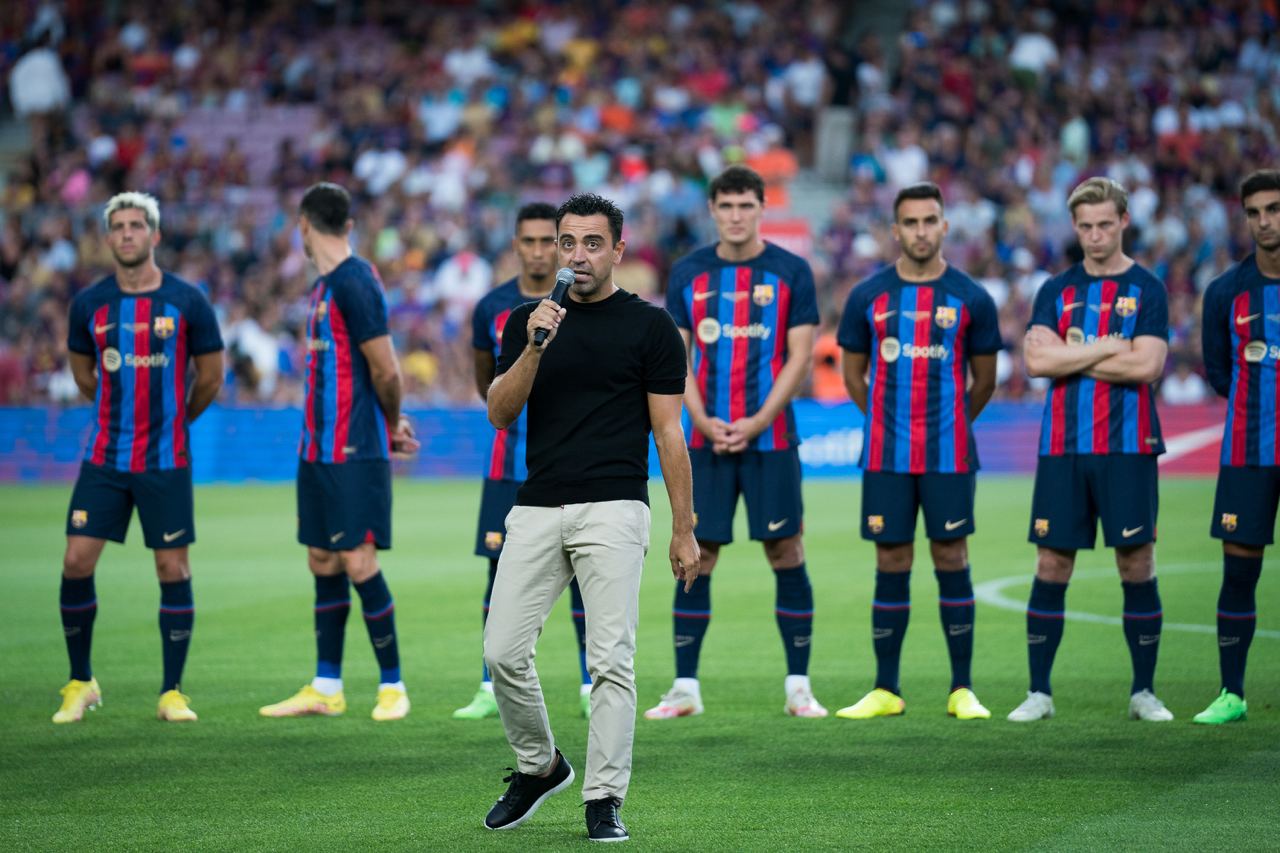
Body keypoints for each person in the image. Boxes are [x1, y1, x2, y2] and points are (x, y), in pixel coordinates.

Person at [481, 193, 698, 843]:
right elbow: (499, 411)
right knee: (502, 651)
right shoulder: (529, 320)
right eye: (567, 242)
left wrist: (683, 526)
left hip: (615, 504)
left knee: (611, 660)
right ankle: (540, 764)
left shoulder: (651, 328)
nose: (578, 255)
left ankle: (603, 796)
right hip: (538, 503)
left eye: (592, 243)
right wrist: (534, 346)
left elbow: (669, 432)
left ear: (618, 250)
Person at [646, 164, 826, 721]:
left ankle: (799, 686)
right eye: (726, 206)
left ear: (761, 207)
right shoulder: (689, 273)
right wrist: (699, 418)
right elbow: (676, 357)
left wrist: (754, 420)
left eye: (746, 205)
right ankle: (685, 687)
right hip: (705, 441)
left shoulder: (791, 271)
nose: (736, 215)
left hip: (771, 439)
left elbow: (799, 359)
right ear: (712, 210)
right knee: (698, 555)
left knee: (786, 551)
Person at [55, 191, 224, 723]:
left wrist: (175, 421)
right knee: (76, 560)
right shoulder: (89, 304)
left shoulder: (188, 301)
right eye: (118, 226)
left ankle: (172, 691)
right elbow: (85, 377)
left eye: (136, 225)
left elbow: (211, 376)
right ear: (108, 238)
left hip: (165, 460)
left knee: (172, 567)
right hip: (105, 456)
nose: (127, 233)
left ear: (153, 234)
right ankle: (80, 682)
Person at [835, 182, 1001, 721]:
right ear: (895, 230)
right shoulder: (868, 296)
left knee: (952, 557)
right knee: (892, 559)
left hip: (950, 455)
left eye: (930, 221)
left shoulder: (972, 297)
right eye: (911, 222)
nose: (921, 231)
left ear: (945, 225)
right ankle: (886, 689)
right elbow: (854, 375)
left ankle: (962, 689)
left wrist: (947, 423)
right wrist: (890, 419)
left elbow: (984, 381)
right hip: (886, 454)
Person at [1009, 177, 1172, 722]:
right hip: (1063, 447)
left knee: (1137, 562)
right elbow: (1036, 363)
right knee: (1052, 562)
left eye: (1105, 224)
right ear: (1074, 228)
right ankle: (1039, 692)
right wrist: (1109, 346)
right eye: (1085, 226)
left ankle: (1143, 692)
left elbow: (1148, 367)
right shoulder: (1056, 290)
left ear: (1124, 221)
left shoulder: (1147, 288)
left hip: (1128, 447)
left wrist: (1072, 351)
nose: (1095, 235)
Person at [259, 182, 420, 722]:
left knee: (357, 559)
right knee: (322, 558)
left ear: (303, 225)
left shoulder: (354, 281)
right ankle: (326, 686)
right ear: (347, 224)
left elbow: (386, 367)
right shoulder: (324, 286)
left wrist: (392, 422)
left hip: (354, 446)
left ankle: (393, 685)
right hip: (317, 449)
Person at [455, 202, 593, 721]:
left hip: (568, 463)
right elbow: (485, 384)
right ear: (516, 244)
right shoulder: (490, 307)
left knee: (584, 571)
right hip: (507, 465)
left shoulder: (583, 300)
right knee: (497, 574)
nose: (538, 251)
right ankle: (491, 685)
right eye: (529, 241)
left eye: (547, 241)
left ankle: (587, 680)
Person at [1194, 168, 1280, 724]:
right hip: (1249, 453)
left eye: (1273, 208)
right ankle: (1231, 694)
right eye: (1254, 212)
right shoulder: (1226, 292)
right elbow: (1220, 375)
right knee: (1238, 573)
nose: (1264, 221)